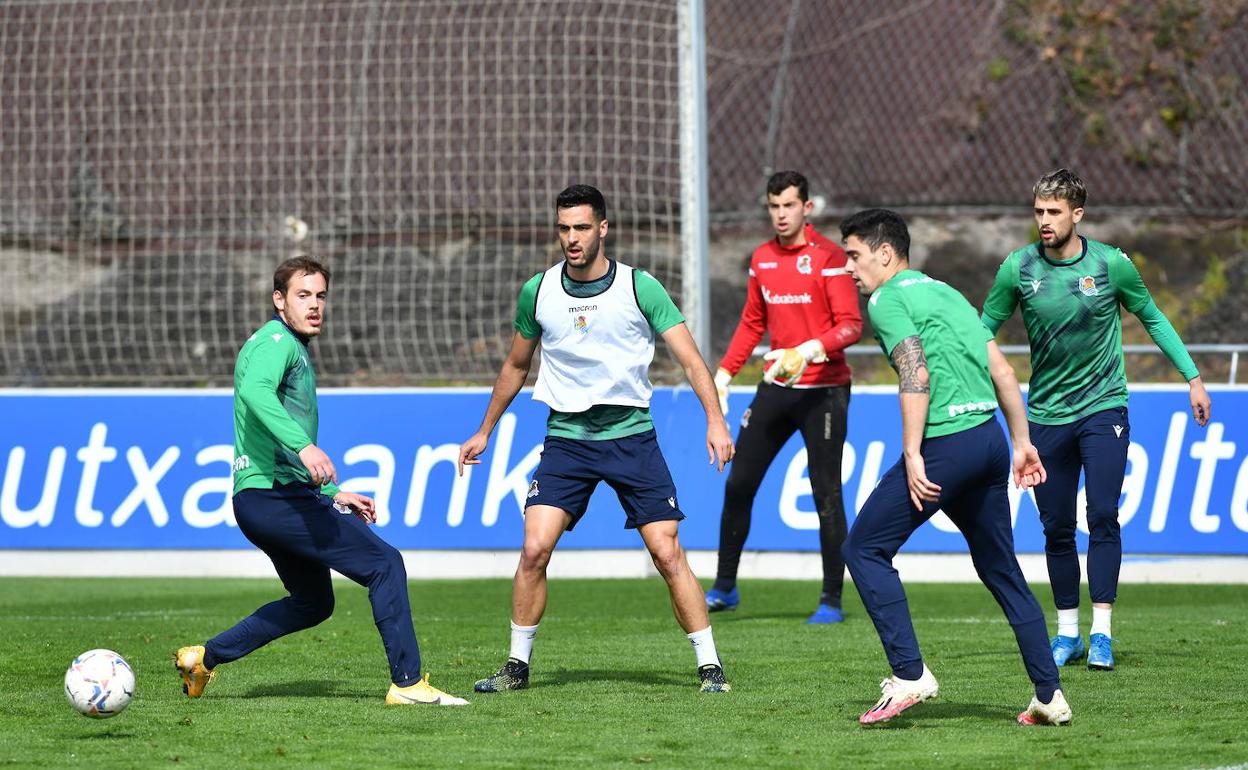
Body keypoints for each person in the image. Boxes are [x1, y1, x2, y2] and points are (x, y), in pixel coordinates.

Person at [458, 185, 736, 694]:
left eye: (582, 228)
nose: (572, 238)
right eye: (564, 228)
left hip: (632, 437)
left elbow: (693, 361)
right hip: (566, 441)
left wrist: (715, 420)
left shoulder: (639, 288)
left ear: (603, 229)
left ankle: (710, 666)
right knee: (534, 548)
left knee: (667, 553)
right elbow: (517, 364)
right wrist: (485, 429)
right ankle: (517, 667)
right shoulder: (537, 291)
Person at [174, 256, 467, 706]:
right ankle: (407, 684)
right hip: (273, 496)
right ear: (279, 300)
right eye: (302, 295)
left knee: (314, 602)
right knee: (384, 564)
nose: (315, 306)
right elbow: (255, 393)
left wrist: (332, 493)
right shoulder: (277, 343)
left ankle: (204, 658)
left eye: (321, 296)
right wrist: (304, 446)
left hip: (268, 498)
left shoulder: (283, 344)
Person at [840, 208, 1070, 726]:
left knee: (864, 548)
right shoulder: (948, 293)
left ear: (884, 253)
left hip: (947, 446)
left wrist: (914, 452)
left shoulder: (886, 298)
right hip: (988, 441)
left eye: (854, 256)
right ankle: (1050, 696)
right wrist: (1021, 442)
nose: (850, 269)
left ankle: (909, 674)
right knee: (1002, 570)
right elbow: (1003, 370)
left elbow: (914, 372)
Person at [981, 168, 1211, 671]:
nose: (1044, 221)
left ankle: (1101, 632)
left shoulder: (1111, 265)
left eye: (1054, 212)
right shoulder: (1017, 268)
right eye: (1039, 211)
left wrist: (1191, 376)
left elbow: (1152, 316)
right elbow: (982, 330)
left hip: (1104, 406)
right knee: (1056, 525)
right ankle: (1068, 633)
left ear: (1076, 214)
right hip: (1045, 414)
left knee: (1103, 513)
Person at [707, 170, 862, 623]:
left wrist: (809, 350)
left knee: (826, 494)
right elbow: (753, 322)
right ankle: (725, 587)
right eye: (774, 206)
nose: (780, 214)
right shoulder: (761, 259)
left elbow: (850, 325)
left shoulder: (831, 257)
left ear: (807, 208)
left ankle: (831, 599)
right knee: (738, 485)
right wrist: (722, 373)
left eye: (789, 205)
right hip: (777, 387)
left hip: (825, 392)